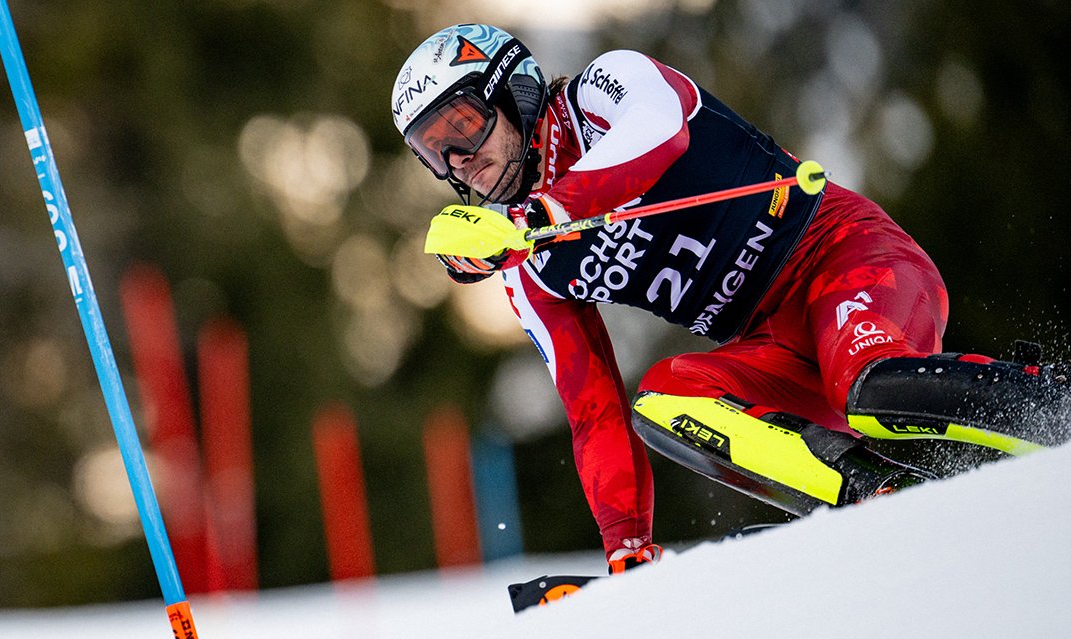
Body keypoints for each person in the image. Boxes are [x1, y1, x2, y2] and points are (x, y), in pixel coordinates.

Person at [391, 23, 1070, 574]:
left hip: (844, 258)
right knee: (666, 401)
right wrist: (625, 546)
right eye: (434, 151)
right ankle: (879, 495)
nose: (459, 163)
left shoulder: (604, 90)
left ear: (516, 92)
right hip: (772, 341)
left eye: (465, 128)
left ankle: (1052, 413)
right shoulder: (527, 268)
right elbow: (591, 408)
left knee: (869, 387)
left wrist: (536, 218)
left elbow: (661, 136)